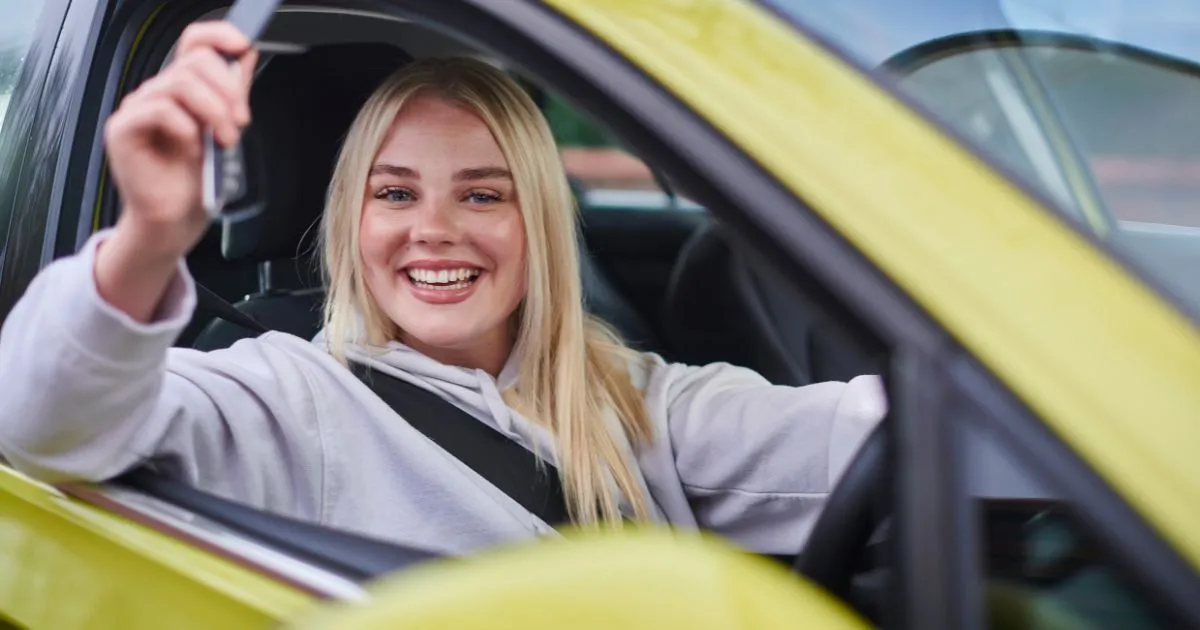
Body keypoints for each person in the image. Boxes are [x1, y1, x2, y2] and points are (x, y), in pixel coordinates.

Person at [0, 21, 885, 557]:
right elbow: (39, 424)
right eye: (394, 193)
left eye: (483, 193)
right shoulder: (286, 395)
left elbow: (860, 438)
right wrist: (151, 239)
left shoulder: (628, 397)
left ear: (537, 220)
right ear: (352, 222)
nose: (435, 228)